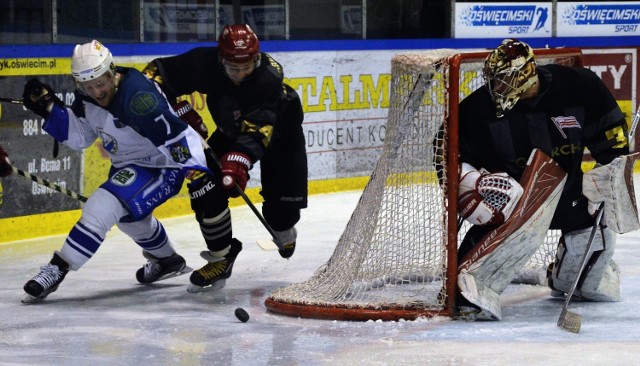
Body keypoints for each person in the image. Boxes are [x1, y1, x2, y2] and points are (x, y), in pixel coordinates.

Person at [20, 40, 211, 302]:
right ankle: (168, 260)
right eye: (88, 86)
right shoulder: (87, 96)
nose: (97, 92)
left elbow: (175, 135)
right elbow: (82, 137)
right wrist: (50, 109)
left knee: (104, 204)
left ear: (112, 73)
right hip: (127, 166)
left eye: (101, 83)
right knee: (130, 219)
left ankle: (58, 268)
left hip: (161, 167)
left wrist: (195, 169)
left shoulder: (139, 97)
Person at [455, 39, 631, 318]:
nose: (496, 88)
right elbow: (447, 155)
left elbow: (609, 133)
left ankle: (568, 278)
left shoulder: (577, 86)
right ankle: (473, 284)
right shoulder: (477, 110)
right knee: (465, 294)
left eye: (505, 80)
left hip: (568, 193)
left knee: (598, 232)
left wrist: (609, 171)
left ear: (526, 74)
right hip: (512, 204)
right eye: (494, 80)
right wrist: (472, 183)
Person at [143, 24, 307, 293]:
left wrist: (237, 162)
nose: (240, 74)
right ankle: (222, 256)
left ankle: (284, 228)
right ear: (221, 60)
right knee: (203, 182)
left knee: (281, 218)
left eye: (246, 68)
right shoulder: (203, 63)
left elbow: (257, 130)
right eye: (233, 68)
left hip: (281, 138)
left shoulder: (268, 79)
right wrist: (179, 110)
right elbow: (154, 75)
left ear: (256, 59)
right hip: (232, 131)